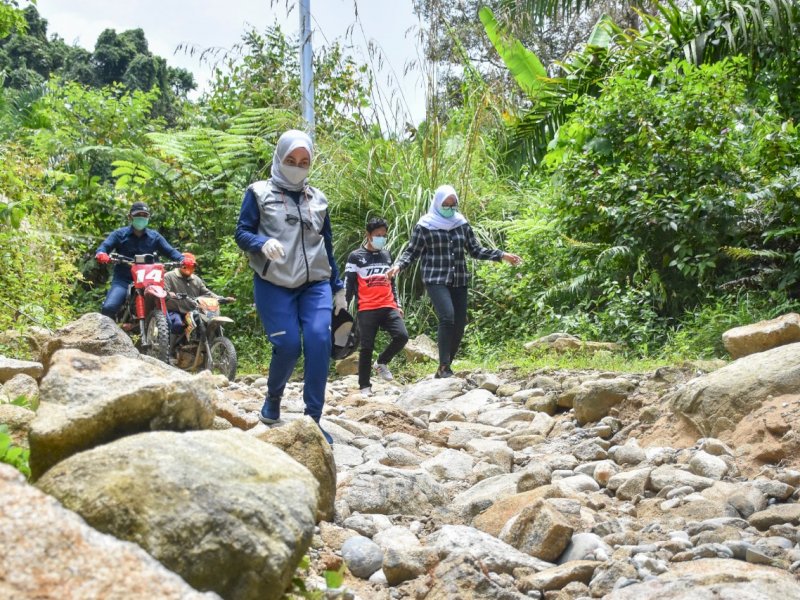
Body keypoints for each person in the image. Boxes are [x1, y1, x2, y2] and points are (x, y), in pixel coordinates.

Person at [234, 129, 345, 444]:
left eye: (304, 161)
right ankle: (273, 398)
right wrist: (261, 242)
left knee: (318, 339)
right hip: (275, 282)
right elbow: (241, 232)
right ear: (279, 158)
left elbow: (327, 246)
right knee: (287, 346)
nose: (297, 165)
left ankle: (313, 420)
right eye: (291, 160)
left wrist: (338, 288)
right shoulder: (258, 193)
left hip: (316, 285)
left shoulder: (319, 200)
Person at [387, 185, 522, 378]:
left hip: (458, 278)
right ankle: (443, 366)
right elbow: (412, 251)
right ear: (437, 203)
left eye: (453, 204)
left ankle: (445, 367)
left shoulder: (461, 224)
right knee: (447, 317)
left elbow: (475, 250)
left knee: (459, 323)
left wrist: (501, 255)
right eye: (446, 204)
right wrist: (399, 266)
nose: (449, 208)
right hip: (435, 278)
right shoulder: (425, 225)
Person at [344, 217, 409, 397]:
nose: (381, 238)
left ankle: (381, 362)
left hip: (388, 305)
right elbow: (348, 286)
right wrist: (340, 310)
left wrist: (398, 304)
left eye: (383, 235)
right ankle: (365, 386)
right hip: (367, 308)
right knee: (366, 347)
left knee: (402, 336)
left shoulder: (386, 255)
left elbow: (392, 281)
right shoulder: (355, 257)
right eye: (377, 235)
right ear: (368, 235)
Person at [95, 201, 185, 319]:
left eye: (144, 215)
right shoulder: (119, 234)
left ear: (148, 218)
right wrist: (102, 254)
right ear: (130, 216)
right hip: (124, 280)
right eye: (138, 215)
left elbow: (171, 251)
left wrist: (183, 259)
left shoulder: (155, 237)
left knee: (166, 317)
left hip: (149, 280)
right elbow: (104, 247)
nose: (141, 218)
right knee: (109, 308)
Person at [164, 252, 235, 335]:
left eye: (192, 267)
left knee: (207, 322)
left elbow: (207, 292)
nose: (188, 269)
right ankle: (169, 346)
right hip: (175, 310)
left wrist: (220, 298)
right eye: (186, 266)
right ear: (180, 265)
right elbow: (164, 291)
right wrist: (170, 294)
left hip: (192, 311)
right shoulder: (169, 276)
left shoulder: (196, 280)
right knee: (177, 324)